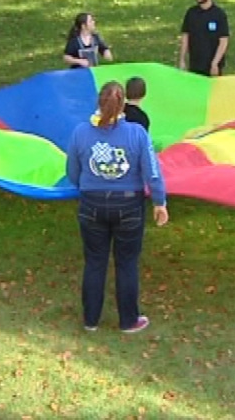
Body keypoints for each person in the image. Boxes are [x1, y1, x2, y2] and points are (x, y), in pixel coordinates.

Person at [66, 81, 169, 333]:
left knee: (94, 262)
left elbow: (72, 171)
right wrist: (159, 201)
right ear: (124, 105)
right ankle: (128, 320)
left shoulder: (80, 132)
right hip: (129, 205)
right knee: (126, 263)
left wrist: (88, 184)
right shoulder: (137, 134)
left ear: (98, 103)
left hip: (91, 203)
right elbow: (152, 172)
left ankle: (91, 320)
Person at [179, 0, 230, 76]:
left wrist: (215, 63)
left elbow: (223, 41)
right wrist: (182, 59)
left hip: (212, 68)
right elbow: (185, 36)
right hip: (195, 65)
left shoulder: (219, 14)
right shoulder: (191, 13)